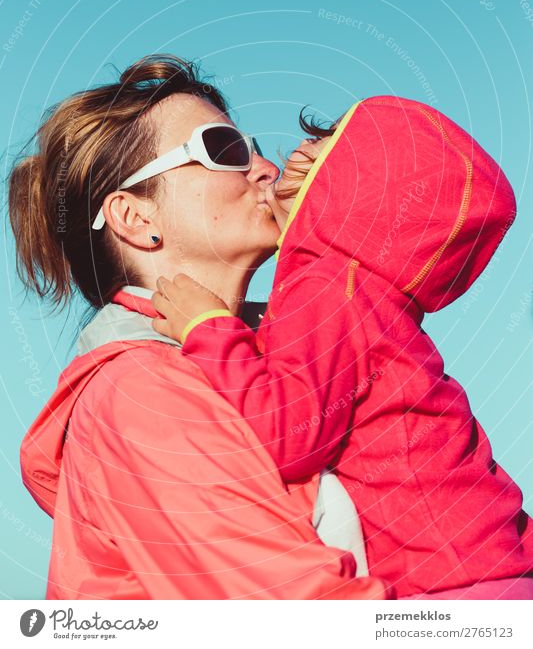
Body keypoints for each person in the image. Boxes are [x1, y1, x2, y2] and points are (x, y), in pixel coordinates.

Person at [9, 56, 390, 600]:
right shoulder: (141, 396)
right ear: (136, 219)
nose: (265, 168)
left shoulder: (292, 361)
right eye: (225, 151)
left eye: (253, 148)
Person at [151, 95, 533, 600]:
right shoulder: (365, 293)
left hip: (453, 584)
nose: (293, 156)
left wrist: (209, 329)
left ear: (363, 185)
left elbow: (292, 439)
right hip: (484, 564)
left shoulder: (329, 288)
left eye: (322, 146)